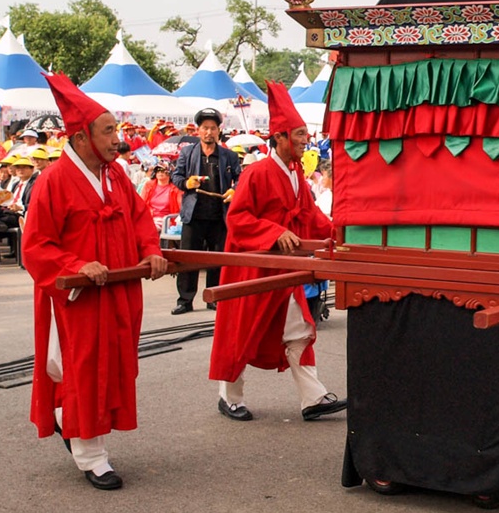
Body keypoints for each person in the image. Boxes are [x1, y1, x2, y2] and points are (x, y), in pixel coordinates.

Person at [23, 73, 167, 491]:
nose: (116, 139)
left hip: (119, 291)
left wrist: (150, 250)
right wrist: (76, 264)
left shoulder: (116, 175)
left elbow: (140, 217)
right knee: (83, 368)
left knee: (112, 364)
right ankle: (91, 455)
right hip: (77, 298)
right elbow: (36, 246)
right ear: (82, 137)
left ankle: (72, 422)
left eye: (116, 130)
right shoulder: (53, 180)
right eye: (108, 131)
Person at [208, 82, 346, 424]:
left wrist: (336, 234)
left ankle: (312, 397)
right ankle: (229, 396)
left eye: (304, 134)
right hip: (254, 270)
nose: (304, 140)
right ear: (281, 137)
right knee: (241, 331)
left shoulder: (297, 173)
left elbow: (310, 215)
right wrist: (274, 232)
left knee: (299, 330)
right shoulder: (256, 172)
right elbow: (237, 218)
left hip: (285, 269)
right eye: (298, 134)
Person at [171, 108, 241, 314]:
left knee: (217, 258)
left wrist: (234, 190)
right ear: (198, 131)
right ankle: (185, 300)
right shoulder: (187, 153)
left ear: (219, 131)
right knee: (188, 259)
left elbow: (241, 178)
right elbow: (176, 176)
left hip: (219, 214)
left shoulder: (228, 156)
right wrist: (186, 183)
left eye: (212, 128)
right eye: (205, 128)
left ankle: (214, 297)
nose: (209, 132)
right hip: (194, 214)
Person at [0, 156, 39, 269]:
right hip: (8, 211)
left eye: (24, 167)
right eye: (18, 168)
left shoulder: (35, 184)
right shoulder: (15, 184)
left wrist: (20, 207)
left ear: (31, 169)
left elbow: (38, 203)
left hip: (21, 214)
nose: (20, 170)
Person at [139, 163, 181, 229]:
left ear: (169, 172)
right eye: (157, 170)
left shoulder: (176, 188)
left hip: (167, 219)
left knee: (150, 228)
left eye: (163, 170)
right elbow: (141, 204)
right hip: (149, 218)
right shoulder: (148, 185)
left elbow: (180, 207)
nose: (160, 172)